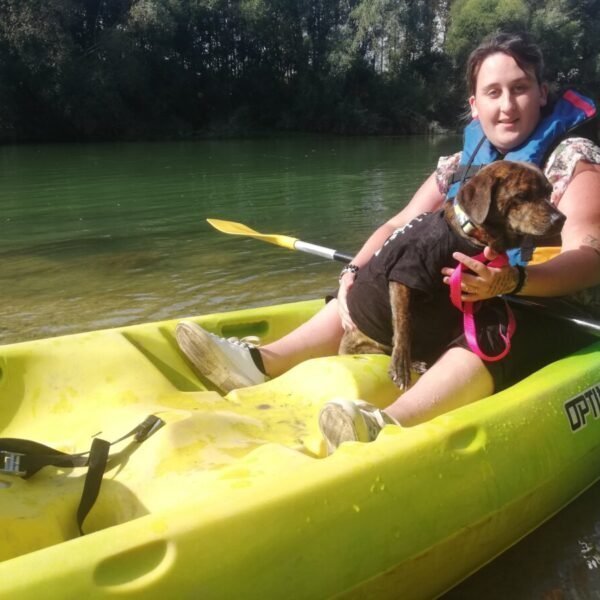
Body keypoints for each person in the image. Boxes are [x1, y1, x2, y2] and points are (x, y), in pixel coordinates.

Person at [176, 32, 600, 453]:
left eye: (520, 89)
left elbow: (590, 256)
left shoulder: (571, 160)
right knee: (377, 278)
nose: (507, 105)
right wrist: (353, 272)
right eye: (493, 92)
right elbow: (399, 224)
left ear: (542, 93)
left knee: (494, 323)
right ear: (475, 105)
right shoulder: (458, 167)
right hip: (473, 293)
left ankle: (388, 423)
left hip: (546, 307)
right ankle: (261, 363)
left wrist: (511, 281)